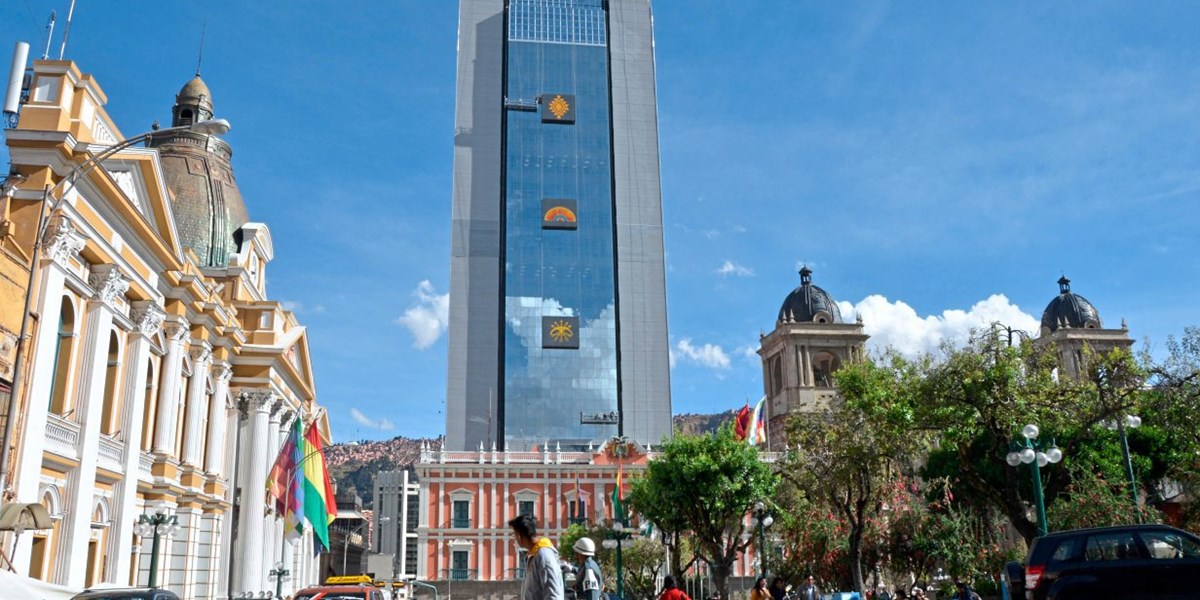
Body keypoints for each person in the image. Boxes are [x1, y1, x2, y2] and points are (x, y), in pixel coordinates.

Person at [510, 513, 565, 600]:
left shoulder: (544, 555)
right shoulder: (533, 555)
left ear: (519, 535)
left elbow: (553, 595)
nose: (515, 538)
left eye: (514, 535)